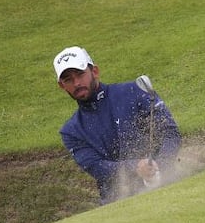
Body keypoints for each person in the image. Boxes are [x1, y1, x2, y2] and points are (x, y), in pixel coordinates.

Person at [53, 46, 181, 205]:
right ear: (62, 86)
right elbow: (98, 168)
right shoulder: (71, 131)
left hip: (168, 186)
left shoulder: (134, 91)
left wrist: (159, 167)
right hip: (117, 205)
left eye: (80, 74)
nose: (77, 83)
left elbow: (170, 133)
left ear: (95, 72)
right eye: (68, 80)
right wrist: (136, 167)